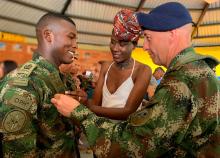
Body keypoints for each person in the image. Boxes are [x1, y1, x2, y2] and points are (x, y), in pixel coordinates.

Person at [51, 2, 220, 158]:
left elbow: (132, 146)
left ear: (172, 35)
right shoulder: (198, 71)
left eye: (148, 37)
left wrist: (79, 112)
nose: (145, 46)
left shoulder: (182, 81)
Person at [0, 13, 80, 157]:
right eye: (71, 37)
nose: (76, 45)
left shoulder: (63, 79)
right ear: (48, 36)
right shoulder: (24, 83)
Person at [85, 9, 151, 121]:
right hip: (101, 132)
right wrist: (86, 101)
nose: (115, 49)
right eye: (112, 42)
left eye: (122, 44)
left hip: (125, 136)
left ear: (134, 45)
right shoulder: (106, 66)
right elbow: (96, 103)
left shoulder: (143, 70)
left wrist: (87, 105)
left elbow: (128, 112)